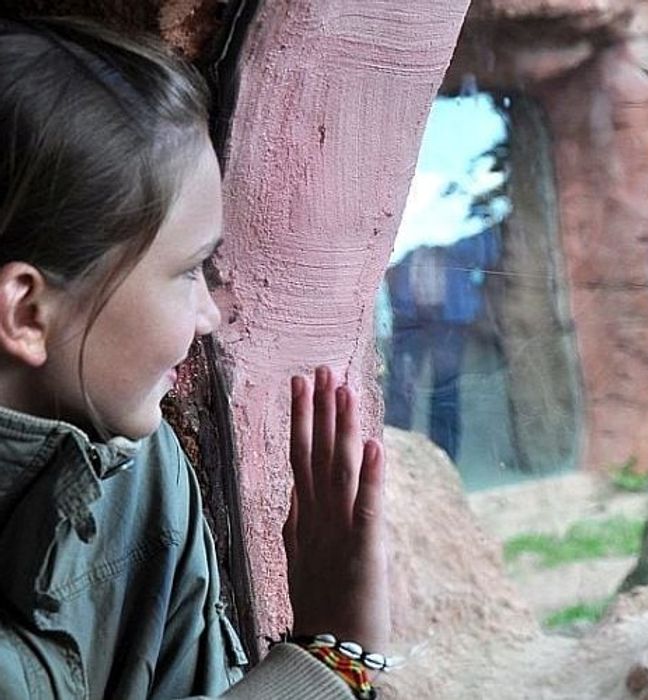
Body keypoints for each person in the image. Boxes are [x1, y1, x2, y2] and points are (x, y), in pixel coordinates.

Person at [0, 16, 388, 700]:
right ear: (28, 313)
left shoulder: (134, 467)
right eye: (188, 271)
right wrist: (333, 658)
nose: (210, 314)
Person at [384, 214, 499, 461]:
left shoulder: (461, 209)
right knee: (400, 391)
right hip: (408, 315)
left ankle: (444, 464)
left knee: (445, 393)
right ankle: (393, 463)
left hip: (450, 318)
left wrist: (444, 231)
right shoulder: (418, 204)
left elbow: (486, 253)